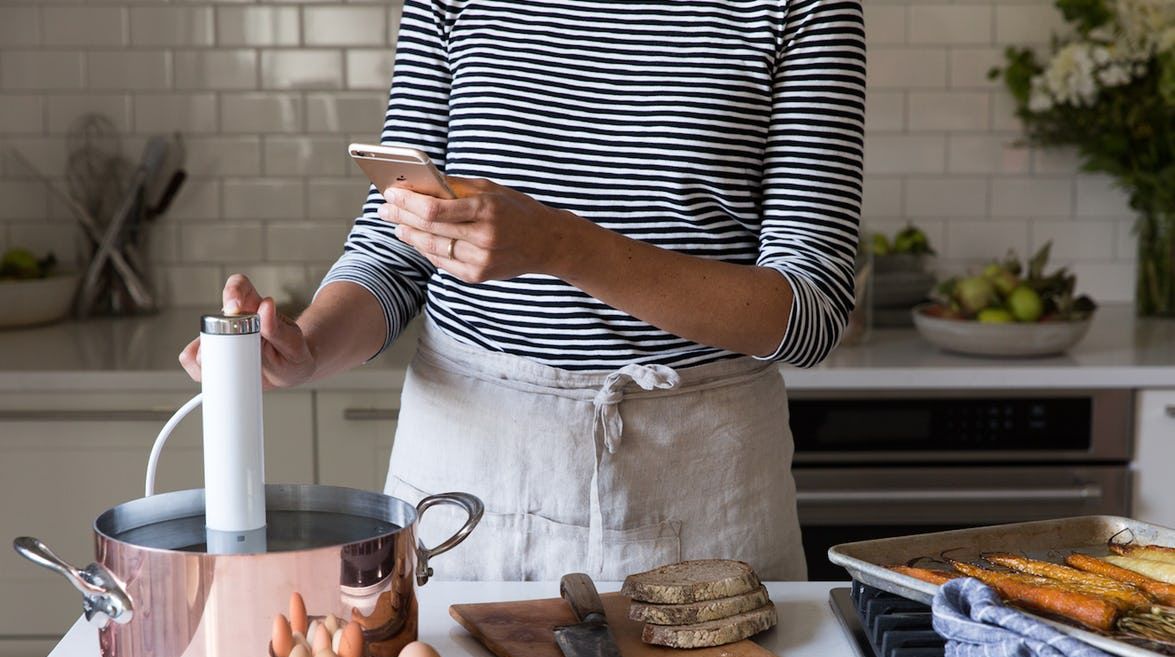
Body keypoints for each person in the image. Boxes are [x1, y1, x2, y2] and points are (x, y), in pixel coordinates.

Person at [181, 0, 865, 581]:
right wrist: (307, 347)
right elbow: (396, 245)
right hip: (463, 474)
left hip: (696, 482)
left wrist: (559, 245)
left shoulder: (800, 9)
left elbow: (810, 313)